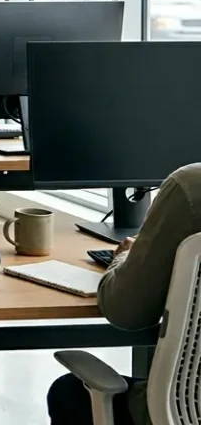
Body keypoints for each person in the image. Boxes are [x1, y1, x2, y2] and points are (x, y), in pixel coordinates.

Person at [46, 163, 201, 425]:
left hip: (186, 411)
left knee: (69, 393)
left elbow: (127, 312)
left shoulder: (191, 187)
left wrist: (127, 256)